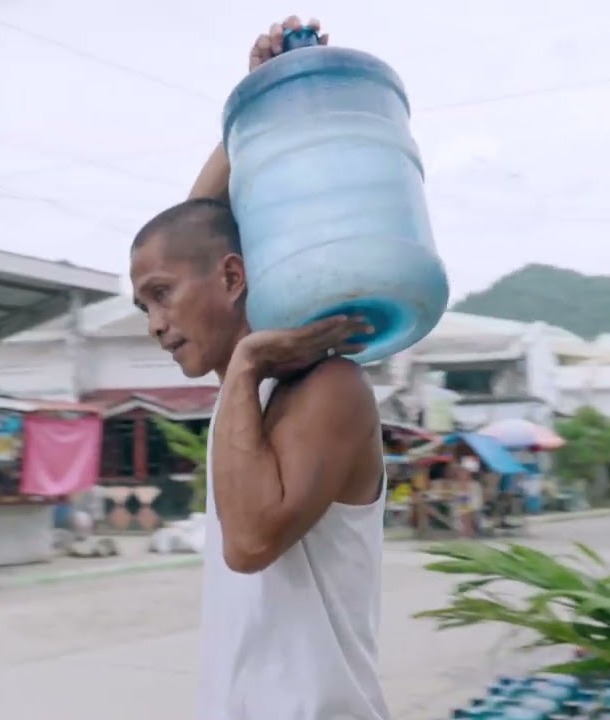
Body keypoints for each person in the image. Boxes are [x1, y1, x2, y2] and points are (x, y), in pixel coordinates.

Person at [129, 16, 388, 718]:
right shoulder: (239, 398)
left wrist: (245, 363)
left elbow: (251, 541)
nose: (154, 324)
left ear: (235, 277)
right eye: (142, 305)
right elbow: (192, 231)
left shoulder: (328, 388)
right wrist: (256, 103)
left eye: (160, 298)